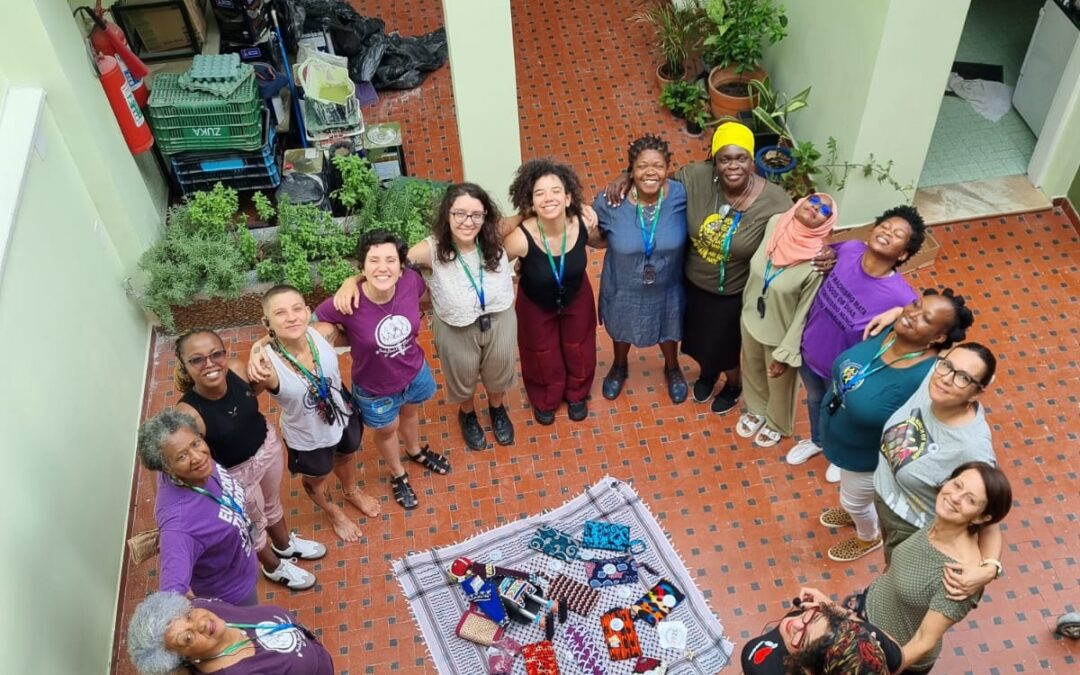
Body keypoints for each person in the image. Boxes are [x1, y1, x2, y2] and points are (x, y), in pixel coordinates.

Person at [748, 462, 1012, 674]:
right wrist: (832, 609)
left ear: (982, 517)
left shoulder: (961, 576)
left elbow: (924, 640)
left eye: (969, 499)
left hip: (891, 651)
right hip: (864, 614)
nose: (954, 497)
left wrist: (880, 668)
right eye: (957, 485)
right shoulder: (942, 519)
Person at [606, 122, 793, 414]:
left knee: (725, 344)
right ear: (714, 161)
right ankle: (707, 375)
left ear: (752, 160)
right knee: (701, 339)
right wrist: (626, 175)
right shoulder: (696, 177)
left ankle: (733, 385)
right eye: (725, 159)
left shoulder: (775, 200)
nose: (733, 166)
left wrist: (823, 254)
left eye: (741, 158)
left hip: (734, 288)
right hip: (692, 282)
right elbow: (654, 175)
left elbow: (800, 231)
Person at [334, 183, 518, 450]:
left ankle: (497, 408)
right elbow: (389, 264)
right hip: (455, 326)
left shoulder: (495, 233)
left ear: (486, 215)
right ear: (447, 214)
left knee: (499, 369)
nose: (468, 221)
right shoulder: (430, 249)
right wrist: (353, 279)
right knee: (462, 376)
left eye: (476, 214)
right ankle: (467, 414)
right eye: (459, 213)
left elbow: (525, 215)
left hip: (500, 317)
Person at [817, 289, 974, 563]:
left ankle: (867, 535)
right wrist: (900, 313)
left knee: (853, 500)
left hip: (867, 459)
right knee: (852, 493)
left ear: (938, 338)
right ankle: (856, 507)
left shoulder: (927, 378)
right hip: (840, 431)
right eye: (915, 305)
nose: (912, 314)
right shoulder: (890, 328)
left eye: (926, 318)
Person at [310, 230, 451, 510]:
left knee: (410, 413)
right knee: (387, 430)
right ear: (362, 267)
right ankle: (398, 473)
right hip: (375, 387)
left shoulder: (411, 282)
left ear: (401, 267)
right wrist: (344, 336)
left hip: (413, 372)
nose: (382, 267)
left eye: (390, 260)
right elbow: (312, 324)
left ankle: (414, 450)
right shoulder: (347, 301)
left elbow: (421, 295)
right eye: (373, 260)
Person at [785, 205, 927, 481]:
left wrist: (901, 312)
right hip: (809, 352)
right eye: (885, 226)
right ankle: (818, 441)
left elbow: (923, 324)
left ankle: (841, 456)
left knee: (844, 415)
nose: (887, 232)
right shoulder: (850, 249)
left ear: (903, 254)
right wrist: (826, 253)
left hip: (846, 373)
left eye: (897, 234)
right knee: (814, 400)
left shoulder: (901, 296)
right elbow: (826, 253)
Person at [174, 329, 322, 591]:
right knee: (252, 525)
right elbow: (180, 459)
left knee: (272, 504)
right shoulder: (187, 415)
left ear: (225, 353)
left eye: (215, 354)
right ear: (185, 366)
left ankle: (285, 545)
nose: (210, 364)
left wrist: (263, 368)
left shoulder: (237, 369)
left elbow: (251, 392)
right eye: (197, 359)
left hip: (267, 449)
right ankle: (273, 567)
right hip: (237, 475)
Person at [247, 286, 381, 542]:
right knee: (316, 479)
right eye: (280, 313)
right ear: (267, 322)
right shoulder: (265, 367)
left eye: (297, 309)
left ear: (308, 312)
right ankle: (333, 512)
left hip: (343, 415)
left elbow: (363, 328)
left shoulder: (323, 333)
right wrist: (257, 349)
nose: (291, 317)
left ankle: (351, 491)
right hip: (308, 436)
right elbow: (243, 401)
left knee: (346, 455)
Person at [874, 342, 1002, 595]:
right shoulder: (935, 383)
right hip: (886, 502)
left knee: (891, 587)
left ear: (977, 393)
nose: (946, 379)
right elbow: (946, 332)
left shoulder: (972, 448)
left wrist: (989, 568)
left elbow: (988, 515)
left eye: (963, 378)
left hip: (912, 528)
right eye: (946, 366)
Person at [592, 134, 689, 403]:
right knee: (621, 326)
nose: (650, 172)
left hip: (668, 285)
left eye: (658, 166)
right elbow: (587, 231)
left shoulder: (681, 196)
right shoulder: (611, 201)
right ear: (631, 170)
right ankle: (619, 366)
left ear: (667, 168)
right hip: (623, 284)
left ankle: (672, 368)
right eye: (642, 166)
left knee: (669, 326)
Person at [736, 193, 836, 448]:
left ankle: (777, 423)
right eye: (813, 202)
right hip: (752, 315)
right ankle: (756, 409)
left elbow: (805, 311)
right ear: (800, 202)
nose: (815, 209)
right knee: (753, 368)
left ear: (827, 223)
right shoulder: (776, 223)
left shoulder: (818, 260)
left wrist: (787, 352)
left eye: (824, 211)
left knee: (780, 382)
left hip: (781, 330)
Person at [504, 159, 599, 424]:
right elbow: (493, 264)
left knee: (580, 346)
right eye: (539, 193)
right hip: (535, 301)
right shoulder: (520, 237)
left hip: (576, 294)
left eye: (556, 191)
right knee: (540, 352)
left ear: (568, 198)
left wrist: (594, 210)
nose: (548, 198)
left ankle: (577, 393)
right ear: (531, 203)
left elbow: (605, 239)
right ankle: (546, 397)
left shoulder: (583, 222)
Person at [136, 409, 259, 606]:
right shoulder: (179, 527)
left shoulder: (195, 467)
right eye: (182, 456)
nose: (198, 457)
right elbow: (170, 597)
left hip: (244, 564)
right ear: (166, 467)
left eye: (195, 443)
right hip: (233, 596)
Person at [127, 591, 334, 674]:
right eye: (187, 638)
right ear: (184, 659)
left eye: (188, 616)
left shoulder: (203, 607)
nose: (200, 623)